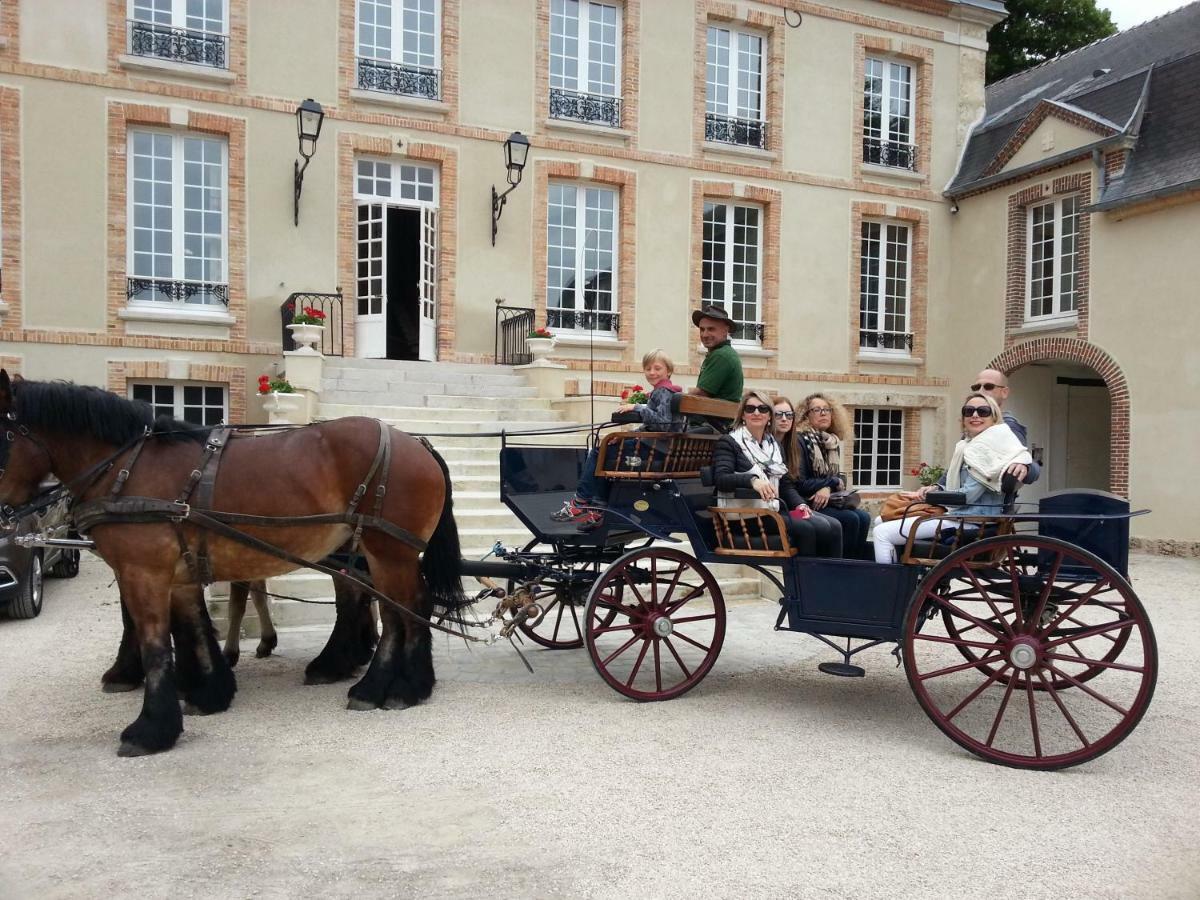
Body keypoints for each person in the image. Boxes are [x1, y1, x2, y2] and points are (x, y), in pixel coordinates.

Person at [871, 392, 1032, 564]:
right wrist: (936, 488)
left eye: (983, 411)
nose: (975, 415)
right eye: (968, 411)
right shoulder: (976, 444)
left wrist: (930, 497)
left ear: (994, 417)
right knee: (881, 520)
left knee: (881, 533)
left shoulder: (985, 449)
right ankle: (905, 576)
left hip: (971, 521)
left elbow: (967, 496)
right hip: (966, 516)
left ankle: (890, 585)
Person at [552, 349, 685, 530]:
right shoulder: (665, 391)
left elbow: (662, 424)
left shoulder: (663, 391)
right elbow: (655, 426)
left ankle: (581, 502)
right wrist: (625, 437)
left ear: (668, 371)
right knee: (608, 447)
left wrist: (637, 407)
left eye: (657, 368)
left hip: (656, 448)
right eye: (648, 368)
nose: (652, 372)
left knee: (600, 451)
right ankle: (597, 508)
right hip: (658, 445)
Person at [712, 391, 840, 558]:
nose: (756, 413)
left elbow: (785, 484)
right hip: (746, 516)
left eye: (762, 409)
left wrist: (800, 505)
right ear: (743, 414)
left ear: (769, 416)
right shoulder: (729, 442)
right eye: (750, 409)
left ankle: (832, 578)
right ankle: (805, 581)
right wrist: (753, 481)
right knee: (807, 528)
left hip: (773, 511)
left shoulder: (773, 445)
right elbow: (721, 478)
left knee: (834, 525)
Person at [790, 393, 873, 560]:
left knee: (864, 517)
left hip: (825, 502)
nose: (823, 413)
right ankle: (839, 567)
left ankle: (854, 564)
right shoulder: (800, 440)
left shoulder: (831, 443)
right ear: (806, 415)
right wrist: (831, 482)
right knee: (850, 519)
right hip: (801, 507)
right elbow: (800, 483)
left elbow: (838, 478)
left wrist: (828, 486)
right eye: (817, 410)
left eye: (827, 410)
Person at [971, 368, 1040, 484]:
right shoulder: (973, 423)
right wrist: (939, 486)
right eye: (976, 387)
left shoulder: (1008, 426)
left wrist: (1025, 466)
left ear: (1004, 392)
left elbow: (1026, 462)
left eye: (988, 387)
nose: (980, 391)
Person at [688, 303, 744, 405]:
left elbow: (700, 394)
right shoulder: (723, 353)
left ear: (725, 331)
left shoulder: (721, 355)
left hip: (715, 419)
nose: (704, 335)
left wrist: (675, 398)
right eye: (702, 329)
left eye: (711, 329)